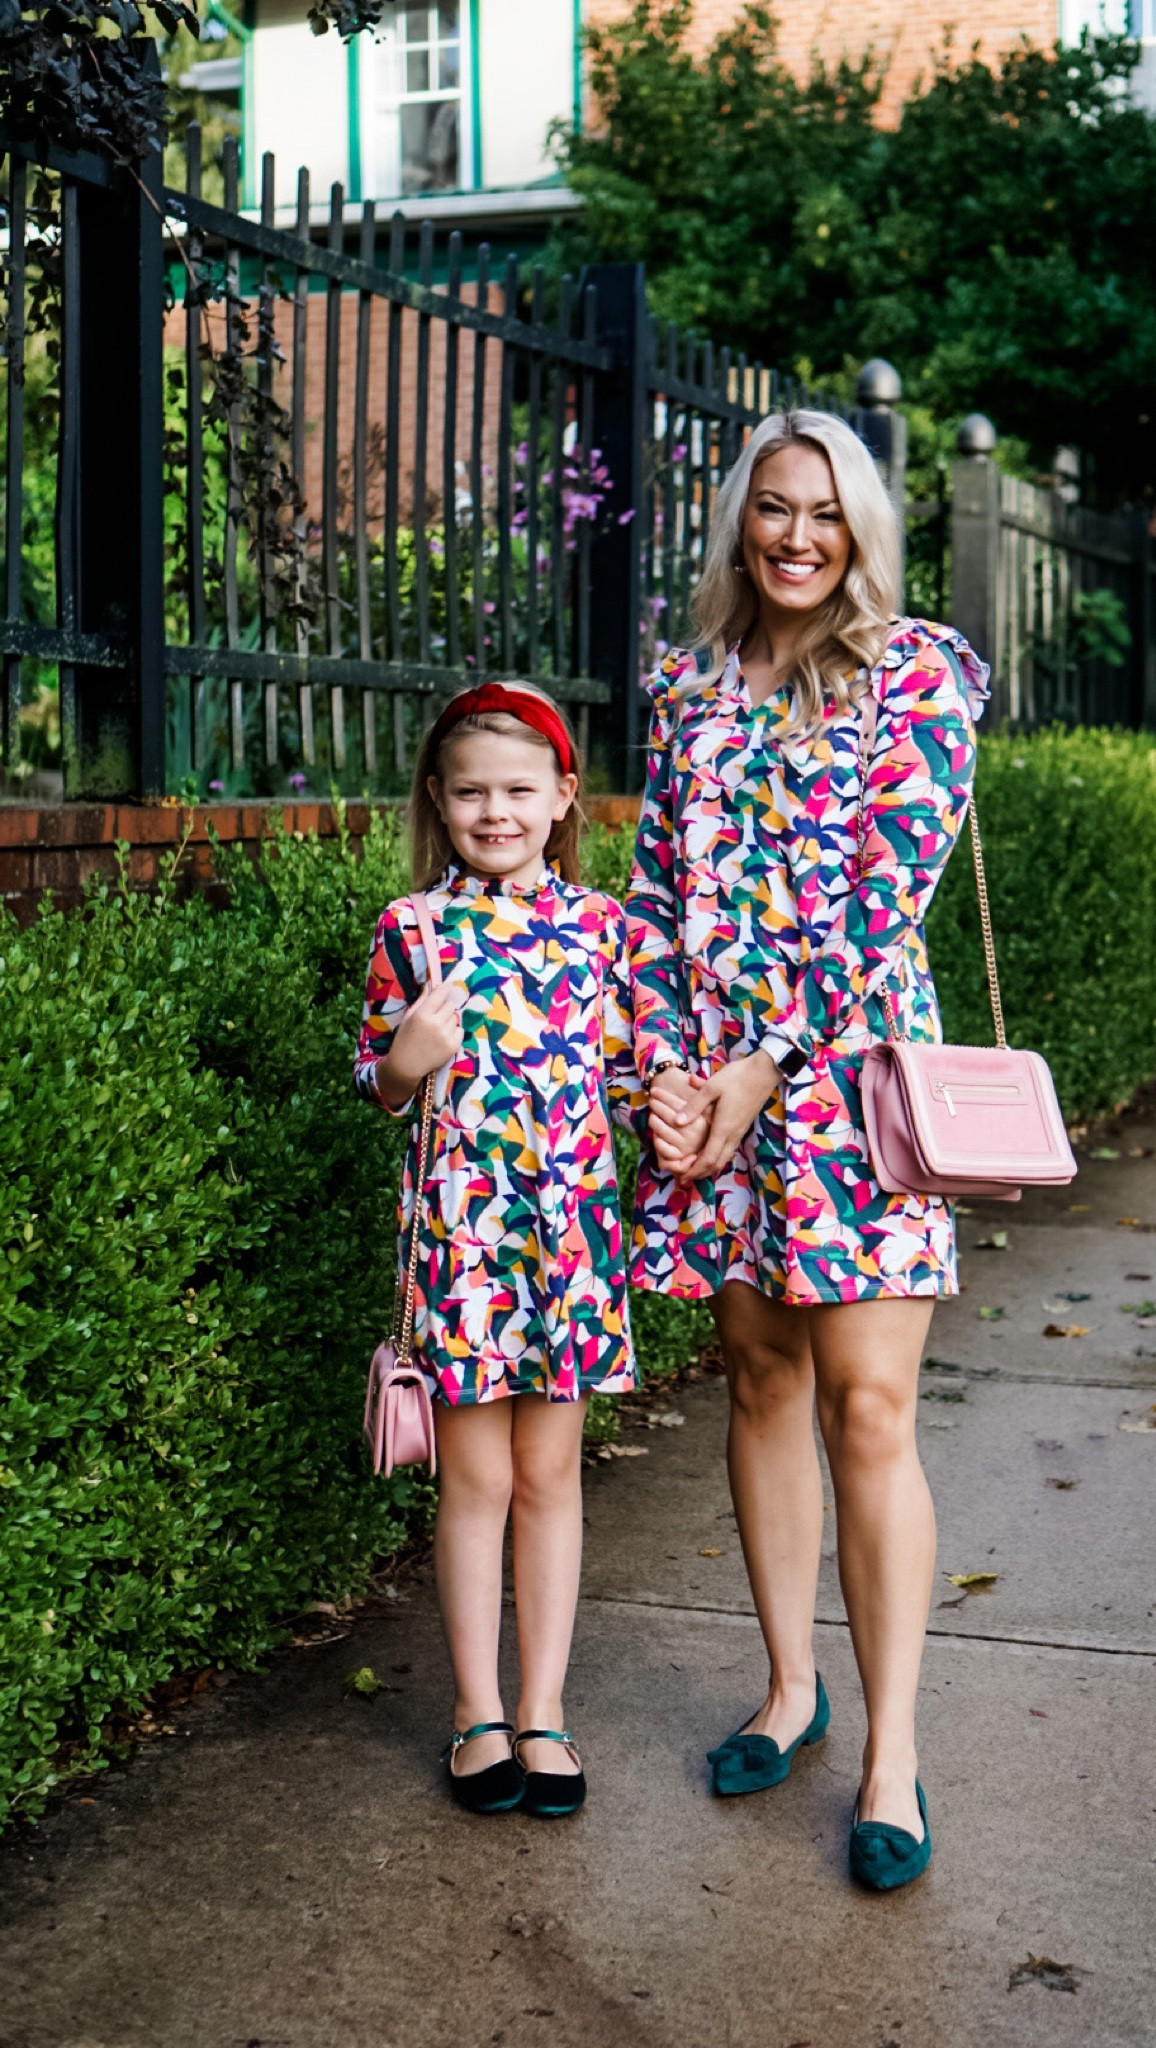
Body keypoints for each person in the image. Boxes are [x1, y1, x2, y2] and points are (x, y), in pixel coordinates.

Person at [626, 410, 989, 1890]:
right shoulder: (688, 687)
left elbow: (879, 903)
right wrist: (662, 1071)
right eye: (772, 510)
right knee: (761, 1379)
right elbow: (651, 895)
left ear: (861, 532)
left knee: (870, 1410)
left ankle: (892, 1752)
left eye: (823, 515)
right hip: (715, 1092)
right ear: (739, 522)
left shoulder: (917, 674)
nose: (794, 537)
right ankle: (790, 1688)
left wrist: (757, 1071)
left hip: (847, 1090)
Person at [354, 682, 642, 1820]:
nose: (495, 810)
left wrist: (672, 1099)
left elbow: (624, 1078)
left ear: (563, 797)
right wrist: (408, 1058)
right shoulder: (411, 928)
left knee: (549, 1477)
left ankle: (544, 1710)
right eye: (470, 789)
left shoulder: (604, 929)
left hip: (568, 1242)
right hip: (464, 1249)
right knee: (474, 1478)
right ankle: (477, 1711)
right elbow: (375, 1087)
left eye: (520, 789)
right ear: (437, 796)